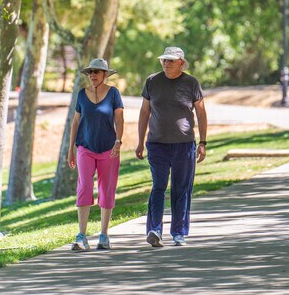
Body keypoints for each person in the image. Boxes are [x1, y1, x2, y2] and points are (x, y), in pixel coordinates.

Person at [135, 46, 208, 247]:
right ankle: (154, 230)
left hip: (184, 145)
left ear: (181, 63)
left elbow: (201, 113)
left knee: (181, 189)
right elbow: (144, 112)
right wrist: (140, 141)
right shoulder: (152, 81)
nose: (166, 64)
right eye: (164, 60)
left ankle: (179, 233)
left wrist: (202, 142)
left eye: (171, 61)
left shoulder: (191, 83)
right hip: (157, 144)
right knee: (158, 186)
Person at [68, 58, 124, 251]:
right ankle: (82, 236)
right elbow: (76, 122)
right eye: (90, 72)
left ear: (105, 75)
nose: (92, 76)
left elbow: (119, 118)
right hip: (85, 147)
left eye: (96, 72)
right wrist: (71, 150)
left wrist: (118, 141)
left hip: (109, 149)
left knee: (107, 189)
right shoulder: (82, 95)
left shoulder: (114, 93)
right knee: (84, 186)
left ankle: (104, 235)